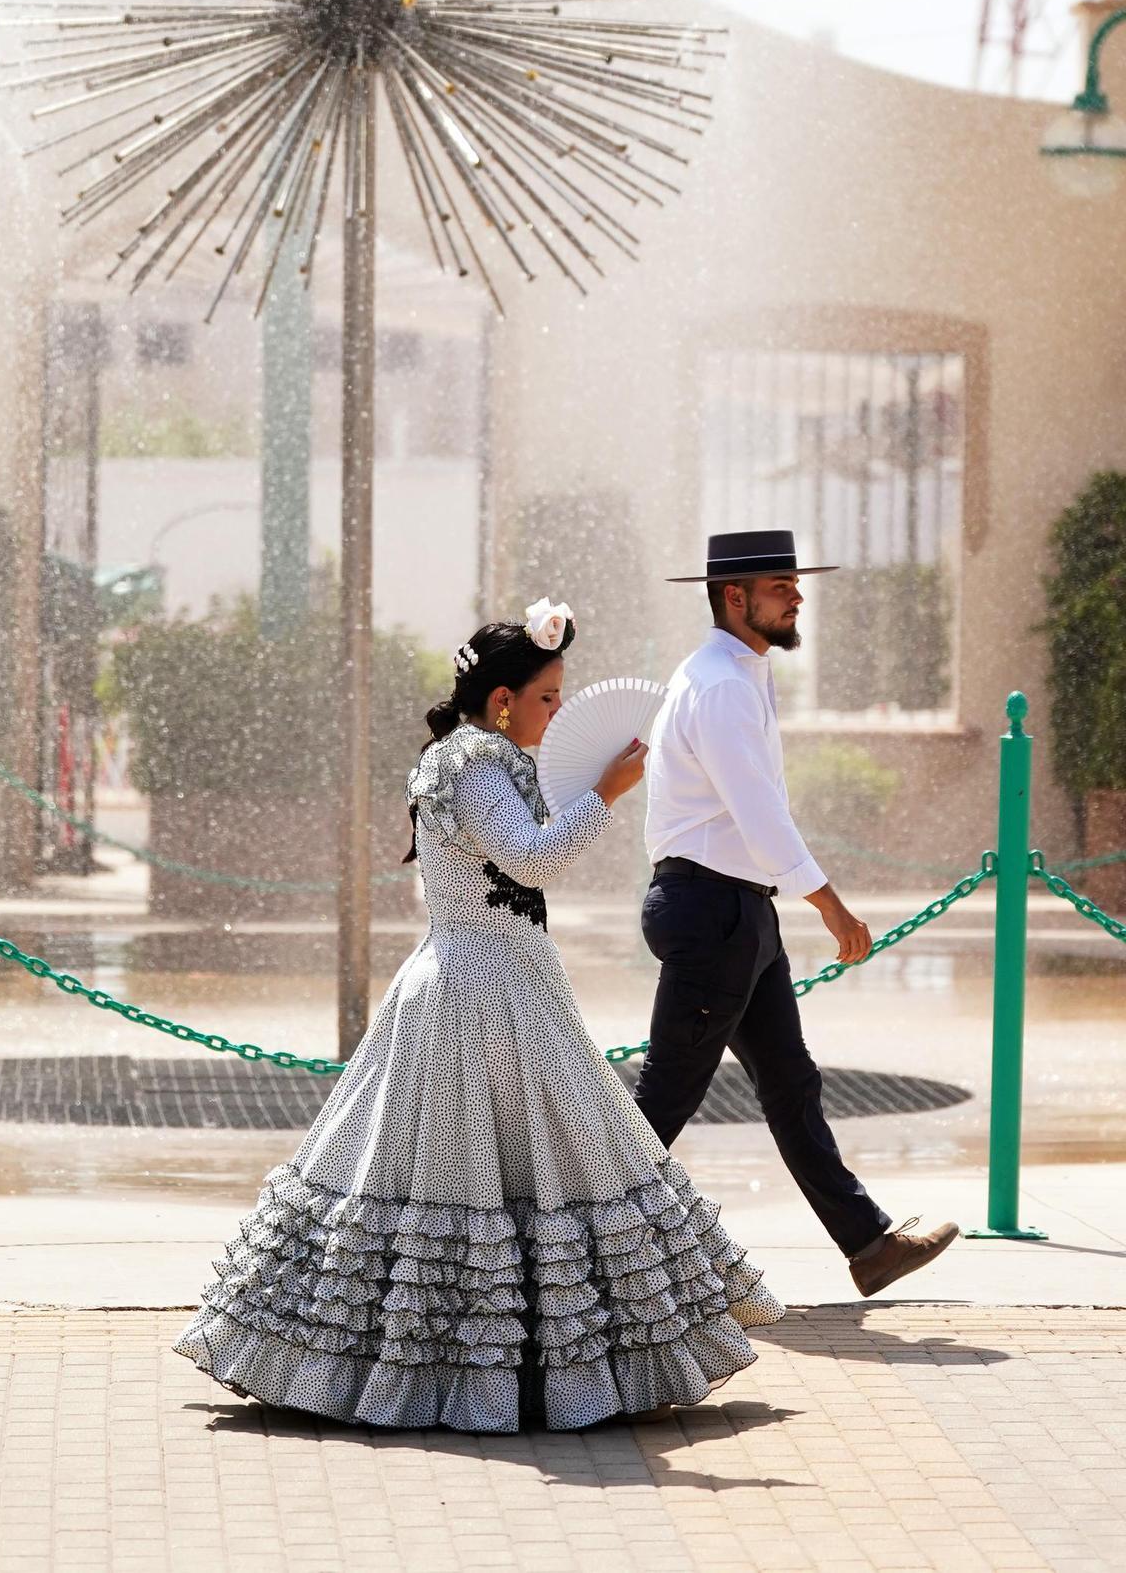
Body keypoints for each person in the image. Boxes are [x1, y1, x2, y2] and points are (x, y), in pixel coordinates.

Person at [175, 597, 783, 1432]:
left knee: (492, 1173)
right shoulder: (471, 762)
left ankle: (504, 1369)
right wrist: (607, 790)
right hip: (477, 991)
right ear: (502, 700)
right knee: (491, 1173)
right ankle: (473, 1375)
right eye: (546, 696)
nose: (557, 711)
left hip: (490, 980)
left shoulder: (477, 758)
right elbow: (532, 858)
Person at [635, 532, 958, 1298]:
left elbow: (759, 815)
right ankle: (556, 1250)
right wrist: (834, 908)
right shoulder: (717, 685)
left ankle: (869, 1245)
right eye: (782, 585)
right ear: (735, 598)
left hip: (738, 910)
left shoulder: (737, 673)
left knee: (790, 1082)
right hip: (714, 909)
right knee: (663, 1099)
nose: (798, 596)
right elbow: (759, 816)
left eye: (794, 583)